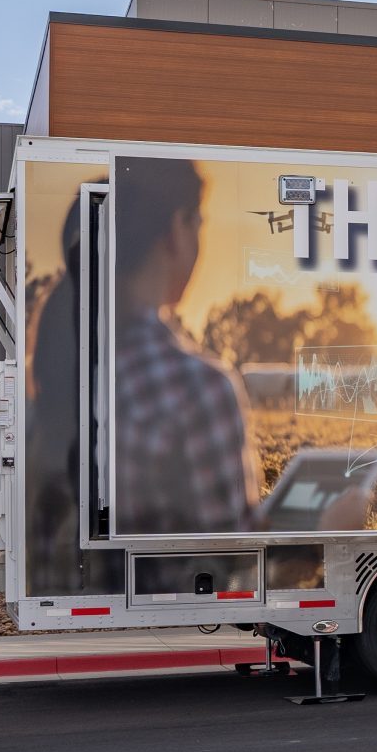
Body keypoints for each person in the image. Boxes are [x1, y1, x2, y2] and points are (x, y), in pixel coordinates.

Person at [112, 158, 260, 535]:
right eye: (200, 224)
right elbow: (234, 556)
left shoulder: (70, 357)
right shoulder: (196, 387)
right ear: (178, 228)